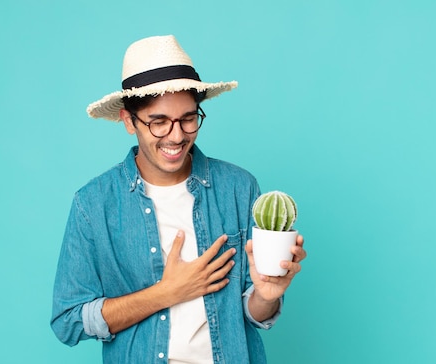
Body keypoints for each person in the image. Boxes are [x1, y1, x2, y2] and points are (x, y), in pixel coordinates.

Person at [51, 35, 307, 364]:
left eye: (188, 118)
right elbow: (68, 321)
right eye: (159, 122)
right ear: (129, 121)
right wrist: (165, 293)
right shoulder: (93, 204)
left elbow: (252, 313)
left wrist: (267, 295)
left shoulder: (238, 188)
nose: (177, 135)